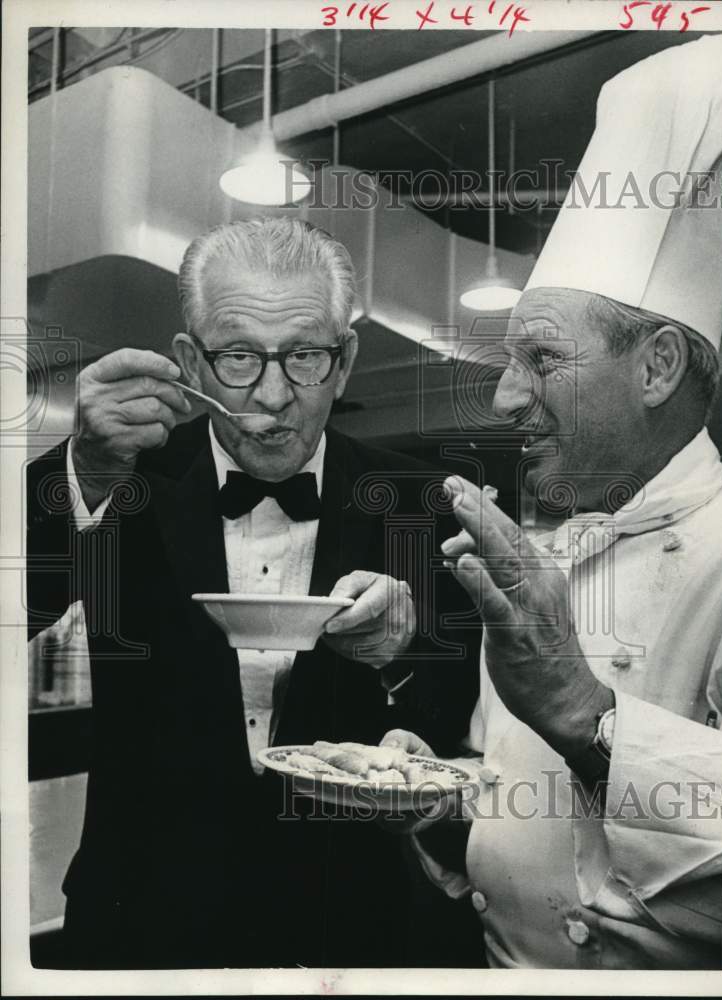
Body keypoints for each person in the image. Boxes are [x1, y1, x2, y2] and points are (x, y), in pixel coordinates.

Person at [27, 217, 480, 968]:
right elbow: (21, 608)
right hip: (141, 913)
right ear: (189, 362)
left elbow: (468, 720)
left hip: (352, 919)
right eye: (237, 355)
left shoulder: (416, 500)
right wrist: (82, 468)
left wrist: (403, 652)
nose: (272, 397)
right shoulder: (121, 472)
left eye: (304, 355)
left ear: (344, 363)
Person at [385, 34, 722, 969]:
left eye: (540, 360)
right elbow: (521, 792)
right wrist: (443, 796)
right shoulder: (561, 549)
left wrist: (584, 710)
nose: (503, 398)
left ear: (657, 364)